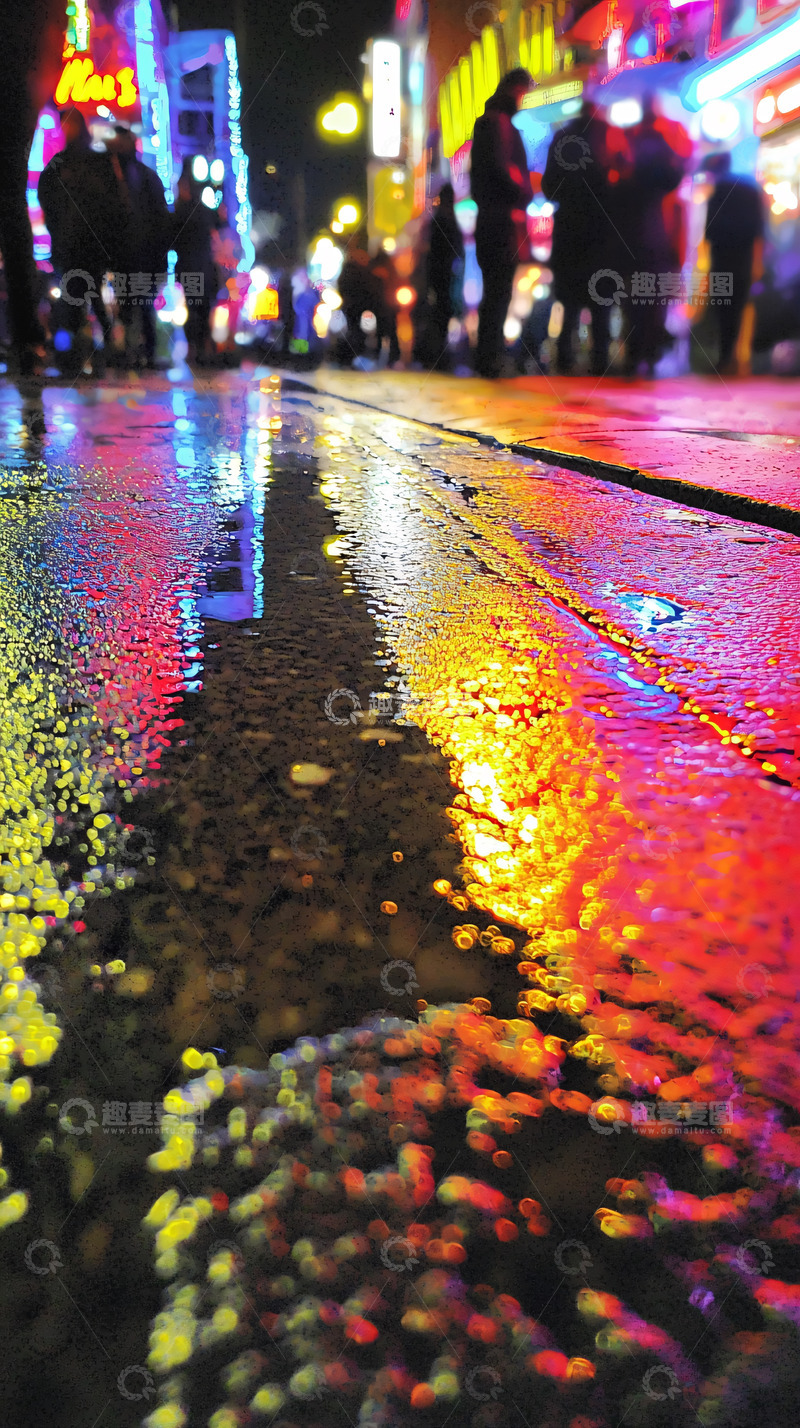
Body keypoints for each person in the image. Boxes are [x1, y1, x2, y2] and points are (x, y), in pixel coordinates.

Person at [542, 100, 630, 376]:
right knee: (601, 299)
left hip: (569, 230)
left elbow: (549, 187)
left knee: (568, 301)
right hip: (602, 232)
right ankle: (599, 360)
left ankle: (565, 360)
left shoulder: (562, 138)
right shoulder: (612, 137)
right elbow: (624, 181)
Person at [0, 0, 64, 374]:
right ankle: (27, 341)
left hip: (18, 91)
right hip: (20, 92)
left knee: (11, 210)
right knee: (12, 212)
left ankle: (26, 339)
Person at [38, 111, 123, 372]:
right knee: (80, 297)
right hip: (73, 245)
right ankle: (82, 354)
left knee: (87, 296)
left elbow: (111, 203)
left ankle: (89, 353)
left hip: (86, 245)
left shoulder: (88, 162)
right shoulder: (66, 163)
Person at [614, 96, 686, 376]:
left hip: (631, 237)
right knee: (654, 299)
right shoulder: (662, 146)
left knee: (632, 299)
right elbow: (675, 174)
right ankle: (649, 354)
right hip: (656, 235)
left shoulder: (627, 143)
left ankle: (634, 354)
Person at [470, 67, 533, 378]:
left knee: (494, 290)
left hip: (489, 220)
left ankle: (487, 356)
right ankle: (490, 358)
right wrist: (523, 190)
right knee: (499, 290)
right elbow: (503, 171)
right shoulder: (500, 125)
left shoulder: (488, 122)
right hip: (501, 222)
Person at [108, 126, 170, 368]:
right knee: (133, 306)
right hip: (133, 255)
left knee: (139, 306)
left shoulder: (135, 177)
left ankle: (140, 353)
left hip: (140, 255)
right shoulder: (132, 176)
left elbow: (160, 220)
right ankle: (138, 353)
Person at [704, 150, 766, 375]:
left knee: (723, 308)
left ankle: (725, 356)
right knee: (739, 307)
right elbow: (759, 229)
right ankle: (736, 358)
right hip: (743, 260)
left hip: (722, 260)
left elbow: (710, 232)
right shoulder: (750, 190)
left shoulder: (718, 191)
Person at [172, 159, 217, 365]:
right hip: (201, 267)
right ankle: (202, 348)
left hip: (193, 267)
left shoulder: (183, 211)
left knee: (195, 309)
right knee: (201, 309)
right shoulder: (201, 210)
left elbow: (174, 241)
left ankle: (196, 348)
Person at [419, 182, 464, 369]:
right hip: (444, 275)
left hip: (440, 275)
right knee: (441, 314)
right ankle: (437, 356)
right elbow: (456, 250)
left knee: (438, 314)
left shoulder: (437, 220)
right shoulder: (446, 220)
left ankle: (435, 355)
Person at [368, 244, 401, 366]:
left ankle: (389, 358)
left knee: (387, 332)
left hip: (386, 305)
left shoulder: (386, 266)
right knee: (385, 332)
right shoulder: (382, 266)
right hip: (383, 306)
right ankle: (389, 358)